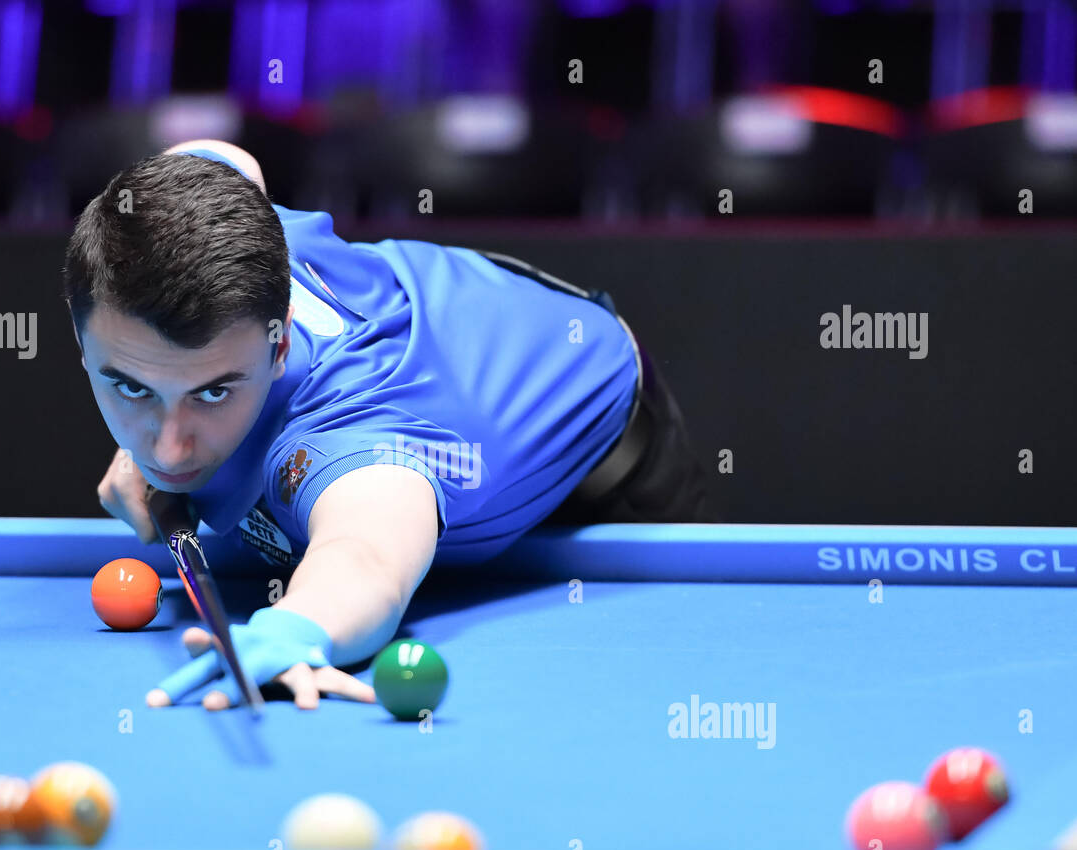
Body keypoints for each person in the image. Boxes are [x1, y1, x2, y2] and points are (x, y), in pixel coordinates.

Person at [63, 140, 714, 712]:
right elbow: (214, 156)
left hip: (600, 434)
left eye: (212, 391)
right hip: (458, 314)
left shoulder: (354, 438)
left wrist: (297, 627)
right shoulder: (227, 235)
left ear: (280, 344)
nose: (169, 443)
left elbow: (367, 555)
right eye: (130, 386)